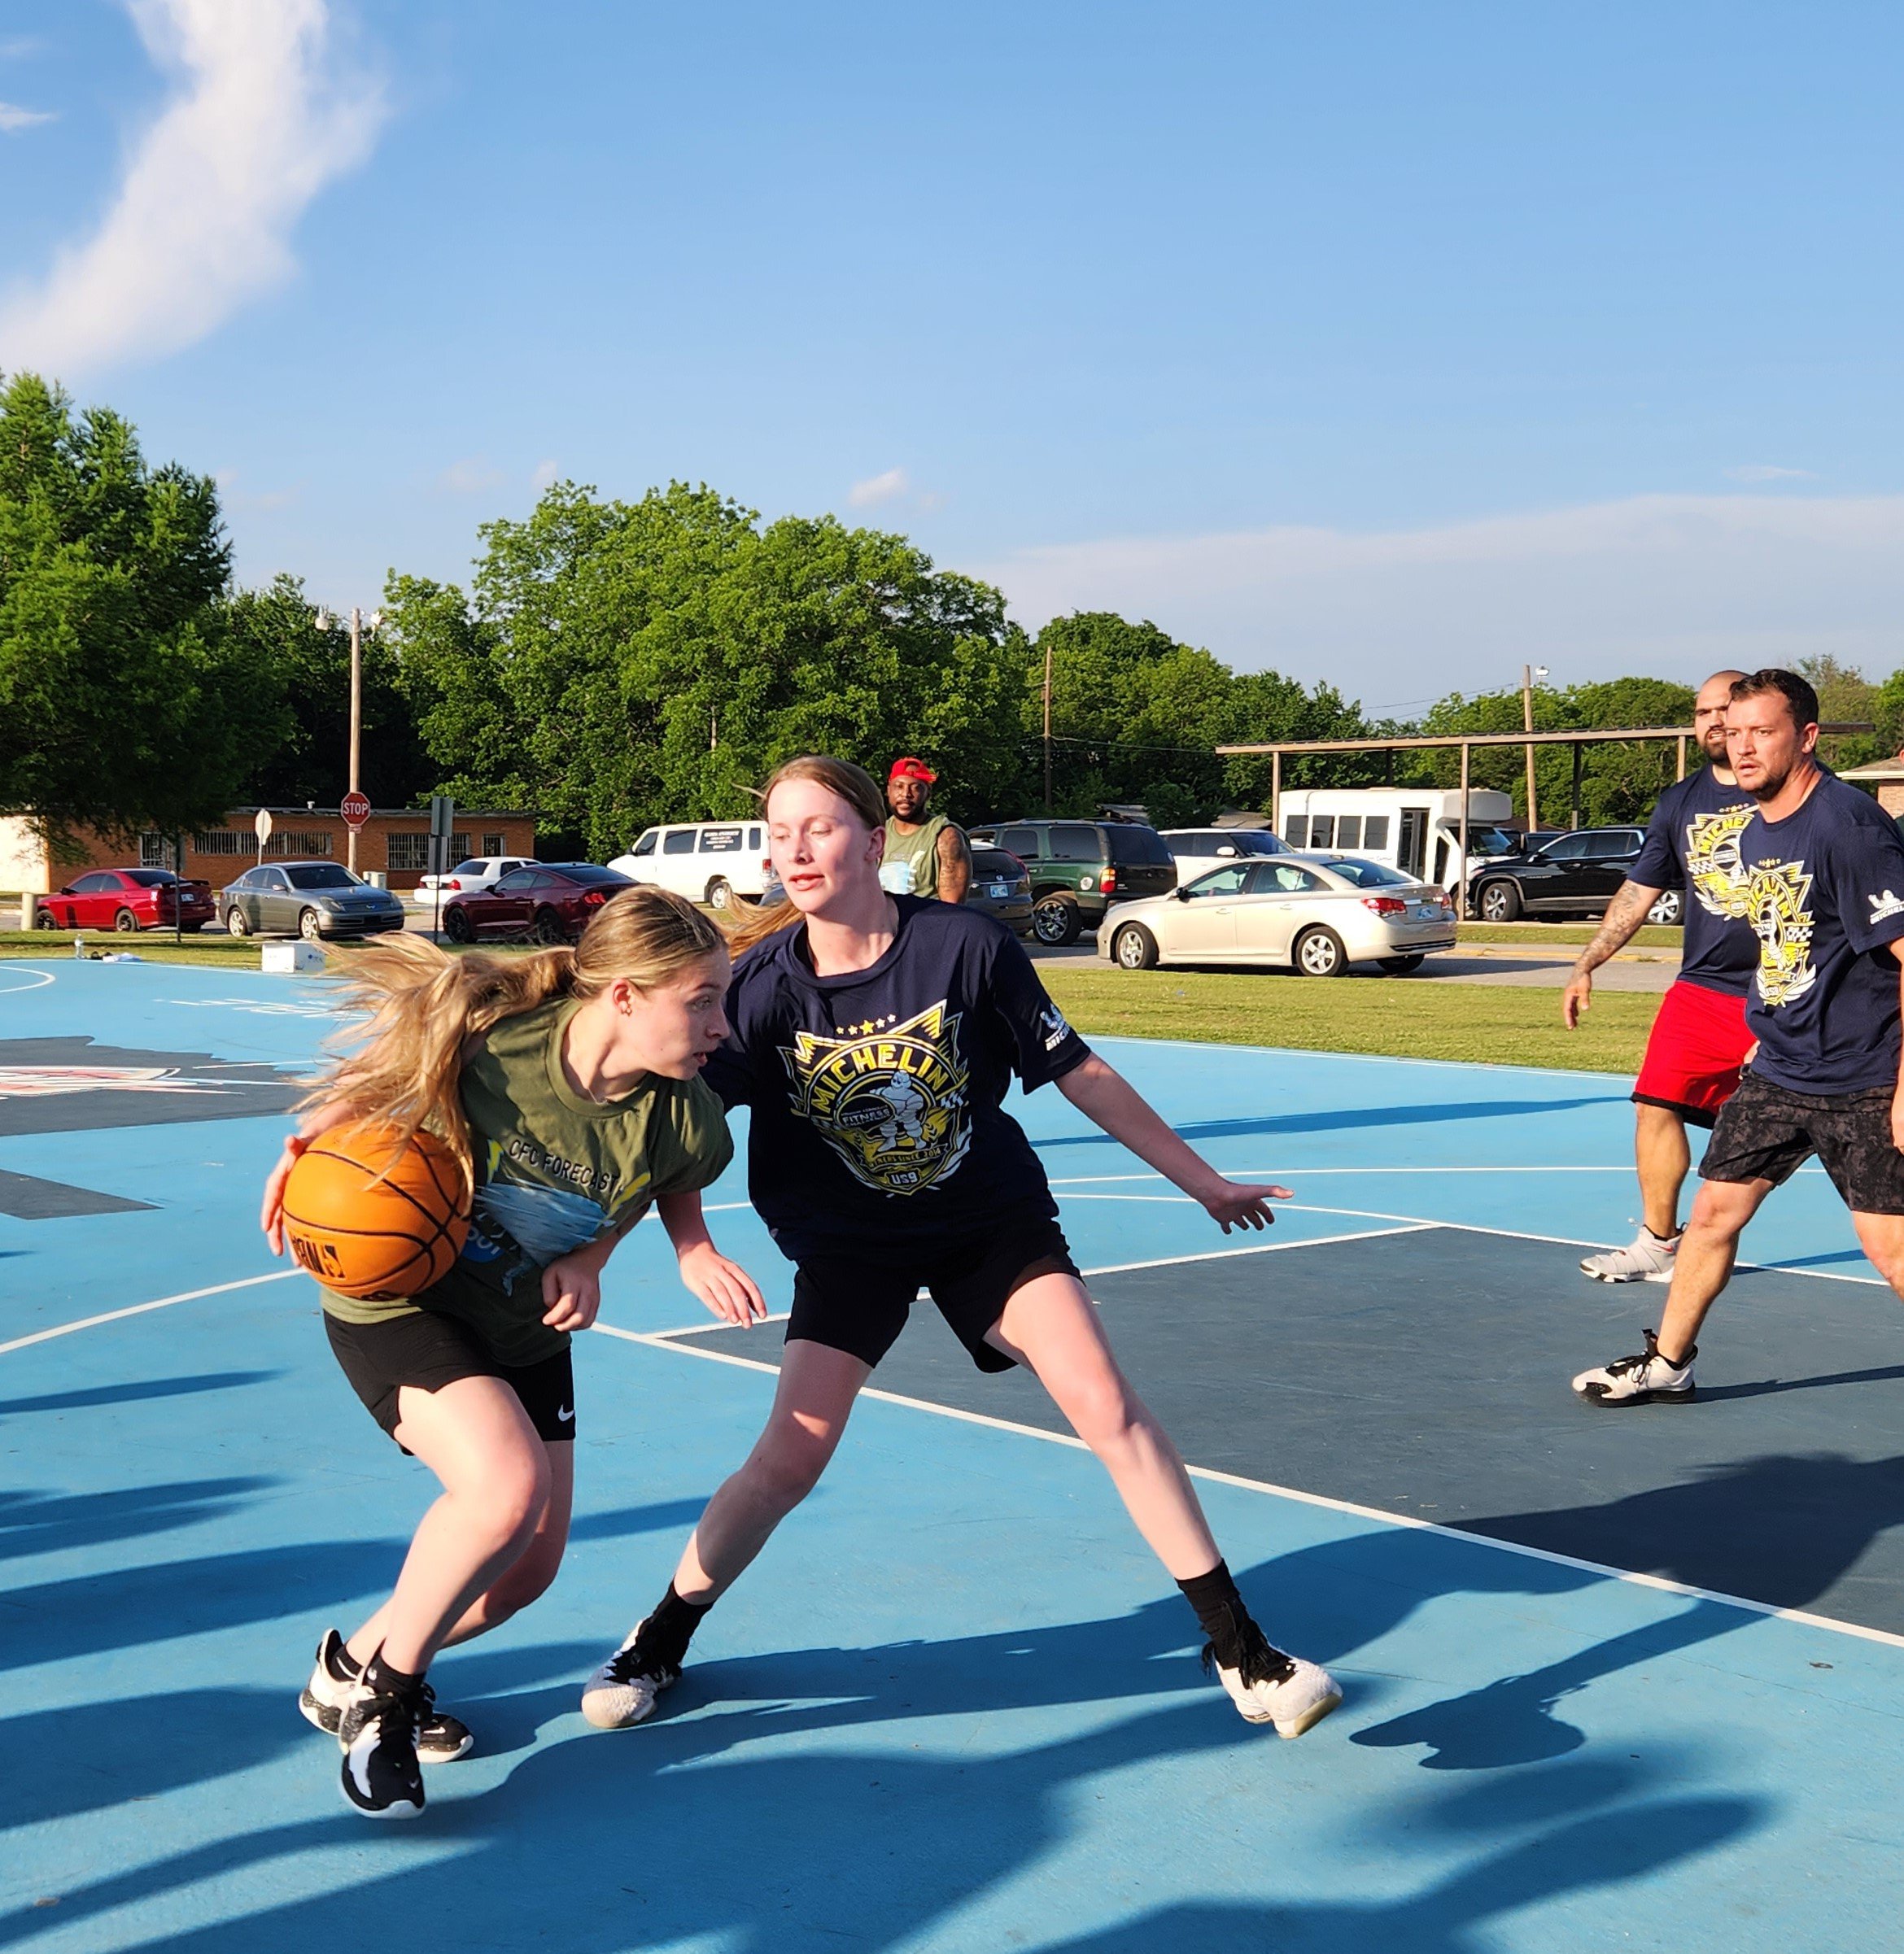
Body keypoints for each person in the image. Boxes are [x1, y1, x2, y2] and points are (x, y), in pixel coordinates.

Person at [580, 755, 1341, 1738]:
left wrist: (1200, 1179)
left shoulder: (964, 946)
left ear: (870, 834)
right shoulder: (762, 990)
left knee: (1106, 1402)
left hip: (990, 1225)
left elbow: (1082, 1070)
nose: (795, 849)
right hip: (852, 1245)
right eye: (778, 833)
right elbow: (674, 1127)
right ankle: (659, 1639)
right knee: (787, 1460)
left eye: (816, 826)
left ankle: (1242, 1649)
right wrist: (673, 1244)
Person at [260, 889, 764, 1817]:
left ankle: (347, 1670)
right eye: (700, 1001)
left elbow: (664, 1184)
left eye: (721, 999)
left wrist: (624, 1251)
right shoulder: (496, 1040)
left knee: (524, 1570)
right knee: (502, 1487)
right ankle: (386, 1704)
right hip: (402, 1303)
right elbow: (377, 1080)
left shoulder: (686, 1115)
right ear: (621, 995)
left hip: (521, 1326)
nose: (720, 1026)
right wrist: (309, 1145)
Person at [1573, 670, 1904, 1406]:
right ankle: (1668, 1362)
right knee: (1715, 1213)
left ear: (1807, 737)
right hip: (1781, 1067)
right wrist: (1766, 1026)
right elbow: (1791, 947)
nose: (1743, 745)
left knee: (1889, 1248)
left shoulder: (1847, 826)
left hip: (1863, 1075)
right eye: (1736, 730)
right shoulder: (1755, 831)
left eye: (1765, 731)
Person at [1562, 670, 1754, 1282]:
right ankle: (1659, 1243)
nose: (1715, 722)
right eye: (1703, 713)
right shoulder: (1680, 802)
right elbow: (1640, 889)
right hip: (1703, 989)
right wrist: (1588, 961)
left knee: (1830, 1133)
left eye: (1726, 708)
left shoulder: (1806, 796)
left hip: (1786, 994)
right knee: (1653, 1104)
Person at [880, 755, 970, 902]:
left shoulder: (946, 837)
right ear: (888, 790)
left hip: (925, 923)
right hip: (882, 923)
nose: (906, 794)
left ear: (928, 793)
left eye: (916, 788)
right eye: (899, 786)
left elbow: (951, 909)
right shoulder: (879, 834)